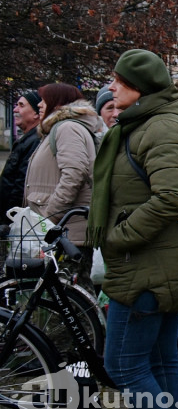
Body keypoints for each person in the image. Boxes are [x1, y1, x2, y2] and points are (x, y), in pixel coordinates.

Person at [87, 49, 178, 409]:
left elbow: (172, 196)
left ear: (140, 87)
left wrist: (119, 237)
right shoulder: (144, 121)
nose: (111, 86)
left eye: (118, 81)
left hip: (147, 267)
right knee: (160, 361)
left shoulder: (161, 126)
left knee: (123, 365)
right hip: (157, 263)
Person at [24, 83, 103, 293]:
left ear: (57, 103)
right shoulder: (62, 128)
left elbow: (74, 173)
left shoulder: (68, 127)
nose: (39, 104)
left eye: (43, 99)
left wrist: (49, 218)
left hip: (68, 233)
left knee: (71, 303)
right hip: (64, 231)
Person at [0, 90, 42, 226]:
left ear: (36, 113)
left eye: (21, 105)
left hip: (14, 217)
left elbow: (21, 183)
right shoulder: (28, 139)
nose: (15, 109)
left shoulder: (35, 140)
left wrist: (8, 219)